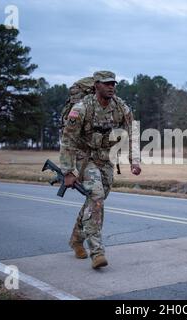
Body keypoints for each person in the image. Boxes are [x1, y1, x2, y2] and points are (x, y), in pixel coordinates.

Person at [59, 71, 141, 269]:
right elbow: (68, 140)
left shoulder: (120, 107)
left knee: (95, 200)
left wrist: (134, 160)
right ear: (96, 86)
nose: (111, 86)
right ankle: (97, 252)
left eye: (113, 83)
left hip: (106, 159)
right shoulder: (81, 108)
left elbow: (133, 131)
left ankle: (76, 239)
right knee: (96, 199)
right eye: (106, 84)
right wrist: (68, 172)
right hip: (84, 158)